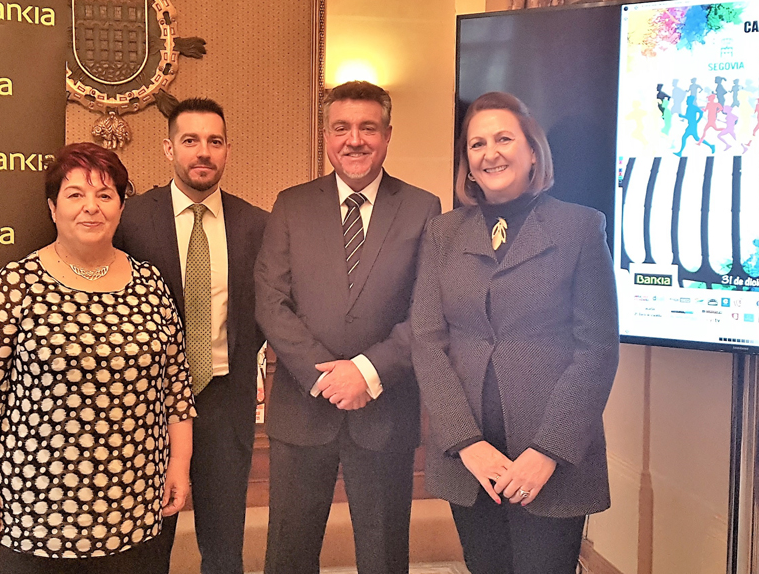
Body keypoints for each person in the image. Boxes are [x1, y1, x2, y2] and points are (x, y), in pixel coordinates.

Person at [0, 143, 196, 574]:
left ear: (120, 207)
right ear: (53, 207)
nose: (90, 207)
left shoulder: (150, 284)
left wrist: (179, 465)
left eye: (104, 194)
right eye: (75, 194)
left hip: (135, 507)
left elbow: (176, 390)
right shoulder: (15, 285)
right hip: (37, 514)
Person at [410, 91, 619, 574]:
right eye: (477, 144)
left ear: (533, 152)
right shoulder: (443, 233)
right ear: (467, 163)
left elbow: (597, 350)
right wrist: (467, 443)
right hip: (470, 458)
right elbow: (426, 341)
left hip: (551, 459)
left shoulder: (580, 228)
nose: (490, 153)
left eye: (503, 139)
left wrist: (547, 451)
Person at [255, 80, 441, 574]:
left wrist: (366, 372)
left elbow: (427, 309)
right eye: (341, 128)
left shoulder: (423, 207)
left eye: (367, 128)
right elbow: (271, 301)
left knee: (384, 557)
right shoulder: (291, 204)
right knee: (289, 556)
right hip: (303, 407)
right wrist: (327, 376)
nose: (354, 140)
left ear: (387, 135)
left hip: (385, 409)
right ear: (326, 136)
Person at [114, 97, 268, 574]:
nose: (203, 152)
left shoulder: (256, 224)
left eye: (214, 141)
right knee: (147, 542)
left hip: (224, 400)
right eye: (190, 140)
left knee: (223, 546)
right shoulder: (130, 220)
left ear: (227, 151)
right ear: (169, 149)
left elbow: (267, 311)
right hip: (146, 404)